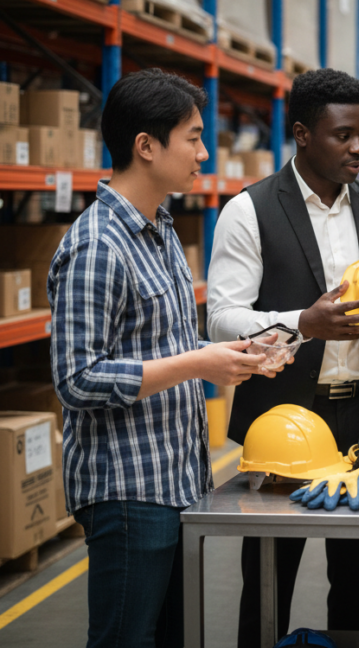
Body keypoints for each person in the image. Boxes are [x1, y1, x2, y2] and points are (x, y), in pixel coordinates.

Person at [48, 69, 276, 648]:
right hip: (128, 489)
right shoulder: (98, 244)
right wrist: (198, 366)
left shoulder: (162, 229)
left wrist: (229, 354)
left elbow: (165, 346)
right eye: (193, 138)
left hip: (177, 479)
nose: (204, 153)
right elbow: (75, 379)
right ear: (146, 146)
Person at [206, 68, 359, 646]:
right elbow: (222, 318)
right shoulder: (248, 211)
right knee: (270, 577)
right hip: (283, 417)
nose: (358, 148)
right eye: (342, 135)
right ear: (301, 133)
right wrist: (304, 323)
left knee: (358, 581)